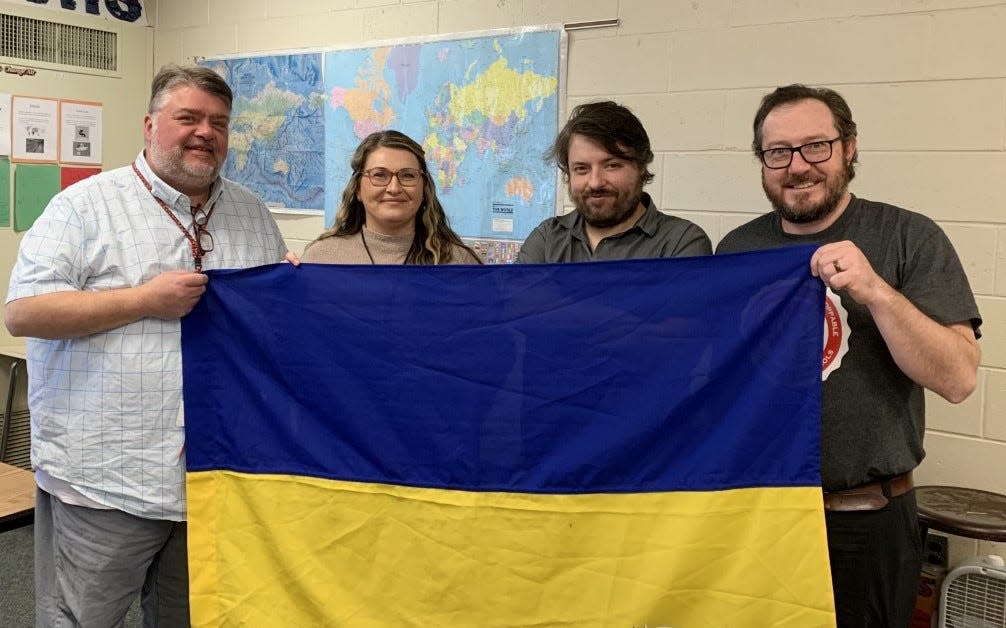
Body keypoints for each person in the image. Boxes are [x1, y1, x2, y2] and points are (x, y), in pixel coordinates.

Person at [5, 65, 293, 627]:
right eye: (187, 117)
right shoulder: (83, 207)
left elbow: (271, 325)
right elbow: (24, 313)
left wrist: (292, 286)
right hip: (108, 476)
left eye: (219, 122)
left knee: (190, 617)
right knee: (86, 619)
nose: (204, 132)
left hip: (210, 474)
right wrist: (142, 300)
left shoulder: (251, 213)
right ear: (150, 124)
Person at [716, 84, 981, 627]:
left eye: (816, 146)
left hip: (868, 520)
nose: (797, 166)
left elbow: (958, 378)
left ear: (849, 148)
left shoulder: (908, 236)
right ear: (762, 163)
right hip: (762, 512)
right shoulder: (737, 250)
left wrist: (876, 291)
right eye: (778, 152)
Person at [517, 101, 711, 262]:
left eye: (612, 165)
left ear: (641, 166)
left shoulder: (681, 243)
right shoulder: (547, 240)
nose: (595, 183)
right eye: (581, 169)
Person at [303, 130, 481, 264]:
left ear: (424, 187)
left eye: (408, 175)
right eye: (379, 175)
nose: (394, 188)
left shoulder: (458, 262)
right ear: (357, 188)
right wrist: (282, 281)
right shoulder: (320, 259)